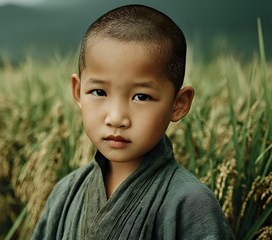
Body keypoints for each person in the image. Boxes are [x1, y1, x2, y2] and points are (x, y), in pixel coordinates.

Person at [31, 4, 235, 240]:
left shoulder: (189, 203)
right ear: (78, 92)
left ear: (178, 104)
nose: (116, 118)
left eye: (141, 97)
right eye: (98, 92)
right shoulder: (65, 193)